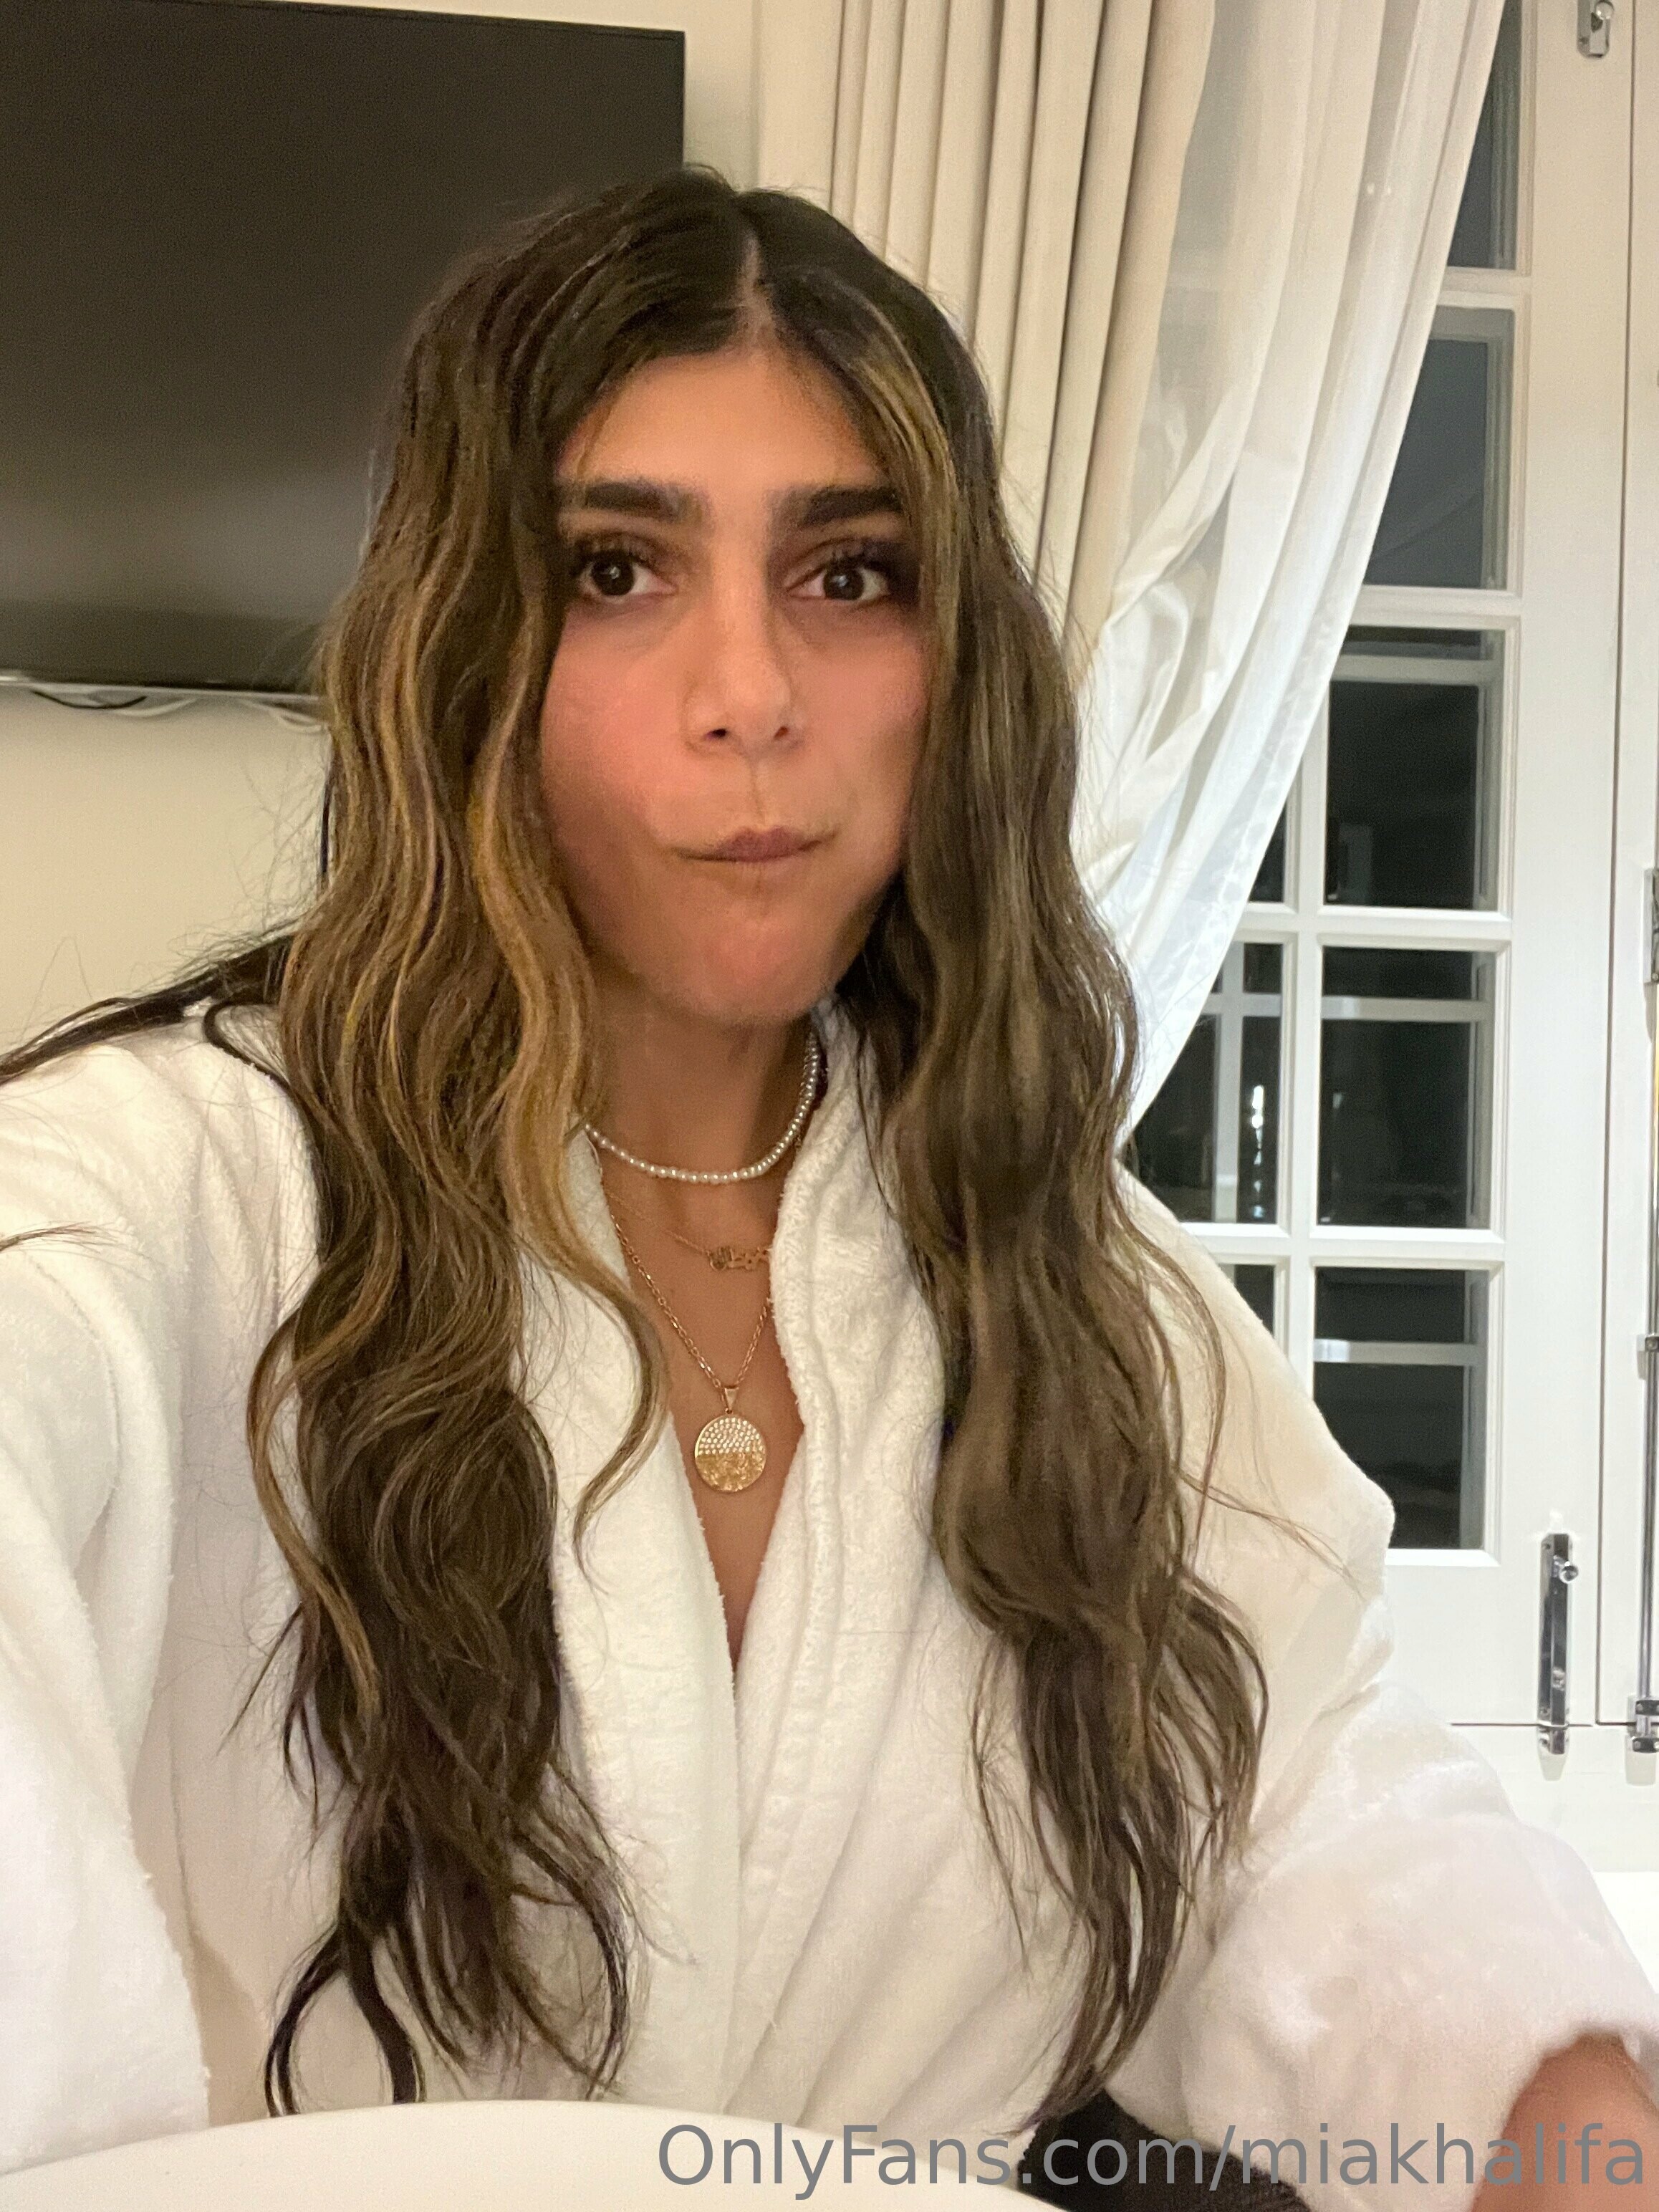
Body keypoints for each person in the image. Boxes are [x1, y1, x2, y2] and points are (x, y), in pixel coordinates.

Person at [0, 165, 1655, 2211]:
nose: (752, 694)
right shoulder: (175, 1196)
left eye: (848, 575)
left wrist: (1575, 2133)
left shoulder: (1075, 1280)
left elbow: (1302, 1797)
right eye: (618, 570)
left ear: (954, 667)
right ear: (467, 648)